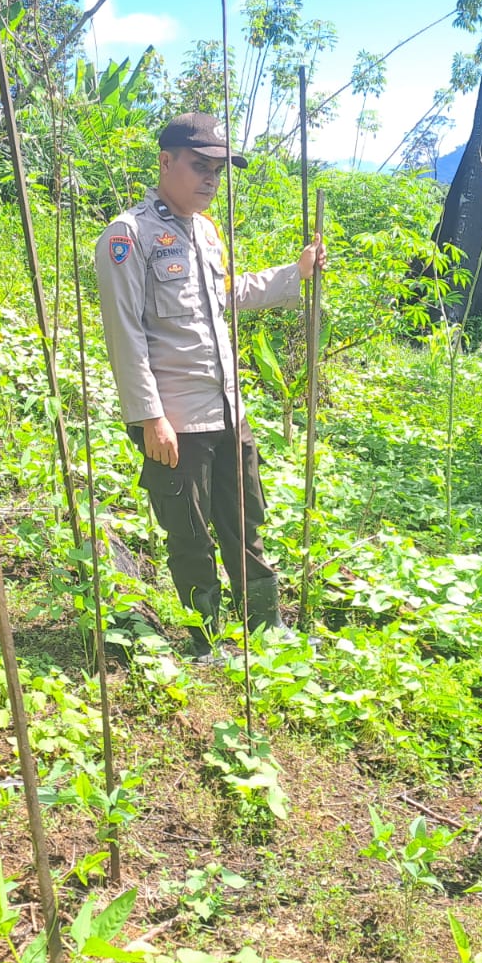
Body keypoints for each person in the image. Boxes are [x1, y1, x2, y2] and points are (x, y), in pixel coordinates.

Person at [95, 112, 324, 661]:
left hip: (226, 409)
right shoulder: (127, 236)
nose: (211, 180)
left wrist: (294, 273)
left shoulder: (204, 231)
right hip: (176, 419)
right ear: (165, 162)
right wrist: (150, 417)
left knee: (246, 519)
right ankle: (207, 641)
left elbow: (225, 295)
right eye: (200, 166)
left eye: (218, 171)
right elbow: (124, 333)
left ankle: (266, 627)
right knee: (191, 533)